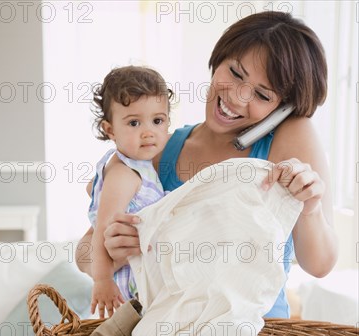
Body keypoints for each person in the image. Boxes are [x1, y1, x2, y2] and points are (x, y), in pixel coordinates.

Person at [77, 11, 338, 319]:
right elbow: (83, 255)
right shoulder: (160, 148)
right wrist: (115, 253)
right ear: (218, 59)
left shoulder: (289, 137)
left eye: (262, 94)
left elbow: (320, 265)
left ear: (283, 108)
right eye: (236, 73)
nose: (238, 98)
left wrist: (310, 209)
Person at [87, 66, 173, 318]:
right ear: (110, 130)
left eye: (158, 121)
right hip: (132, 283)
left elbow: (92, 188)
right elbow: (101, 230)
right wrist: (102, 281)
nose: (148, 132)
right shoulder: (125, 174)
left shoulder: (125, 165)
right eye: (134, 123)